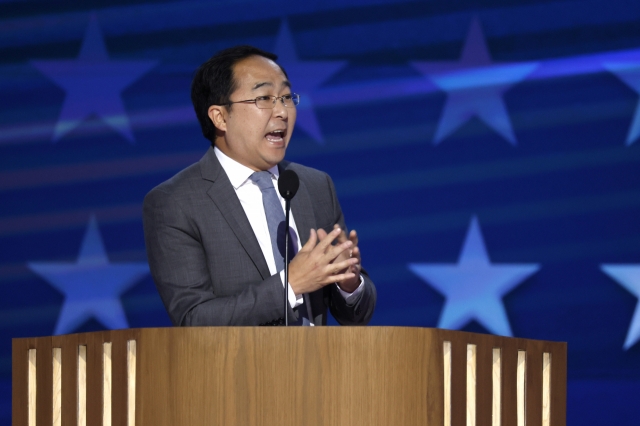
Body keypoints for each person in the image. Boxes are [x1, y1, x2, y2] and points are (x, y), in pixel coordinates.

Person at [143, 45, 376, 326]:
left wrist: (348, 285)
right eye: (264, 98)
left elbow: (355, 315)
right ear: (220, 117)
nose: (282, 111)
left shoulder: (314, 186)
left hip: (319, 367)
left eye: (287, 97)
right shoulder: (175, 202)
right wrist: (290, 284)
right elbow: (194, 319)